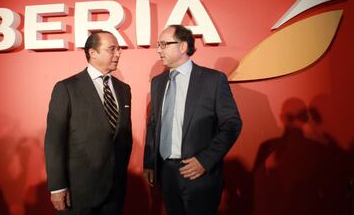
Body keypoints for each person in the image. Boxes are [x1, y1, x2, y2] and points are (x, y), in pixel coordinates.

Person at [143, 25, 242, 215]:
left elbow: (232, 124)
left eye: (164, 44)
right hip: (167, 173)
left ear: (183, 47)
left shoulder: (213, 80)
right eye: (158, 44)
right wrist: (149, 163)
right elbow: (154, 124)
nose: (158, 50)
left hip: (199, 174)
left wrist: (205, 161)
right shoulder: (157, 82)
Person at [44, 31, 132, 215]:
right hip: (78, 192)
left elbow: (123, 137)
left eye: (119, 49)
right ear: (92, 52)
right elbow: (54, 142)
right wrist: (57, 187)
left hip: (115, 192)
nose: (118, 53)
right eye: (112, 49)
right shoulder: (66, 88)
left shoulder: (124, 89)